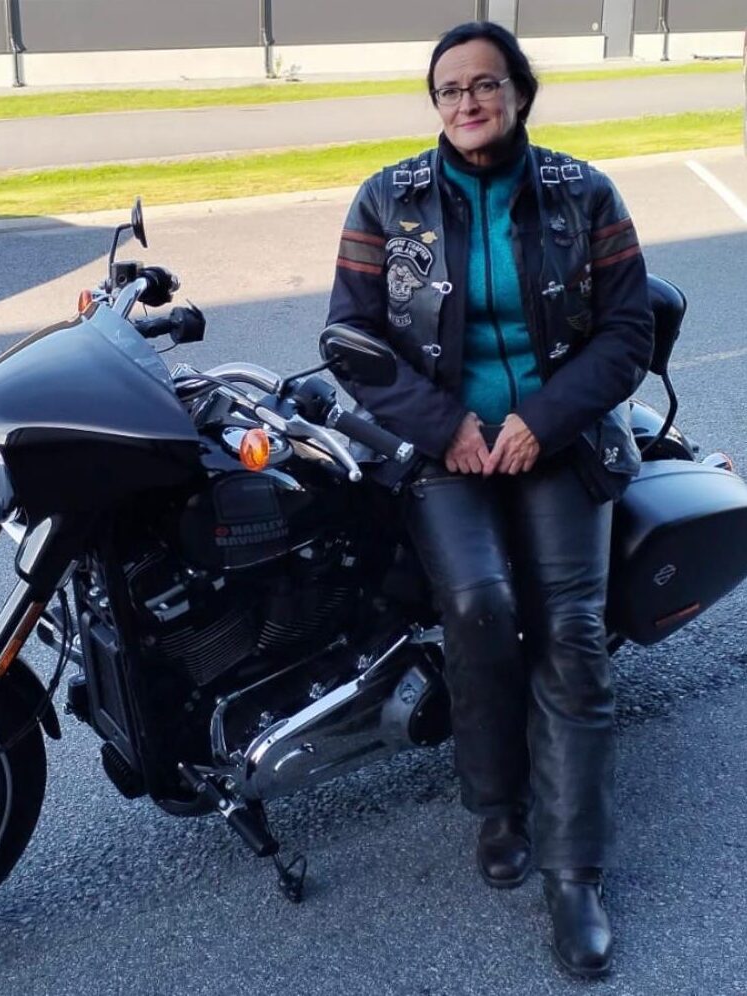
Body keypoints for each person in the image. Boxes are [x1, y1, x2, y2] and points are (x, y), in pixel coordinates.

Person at [326, 20, 653, 979]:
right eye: (449, 89)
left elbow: (627, 333)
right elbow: (350, 340)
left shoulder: (583, 192)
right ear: (435, 103)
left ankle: (573, 874)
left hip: (560, 438)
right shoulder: (386, 199)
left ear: (518, 90)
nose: (466, 102)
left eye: (484, 84)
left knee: (571, 633)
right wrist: (447, 427)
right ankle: (496, 804)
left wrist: (542, 420)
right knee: (475, 607)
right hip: (450, 444)